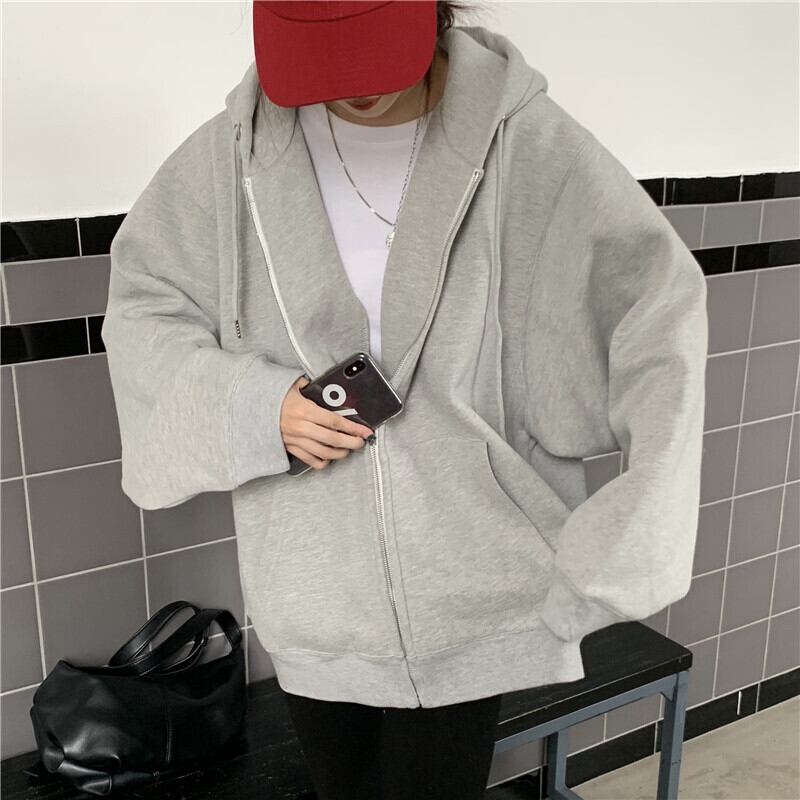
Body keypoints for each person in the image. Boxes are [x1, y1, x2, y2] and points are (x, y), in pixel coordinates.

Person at [101, 1, 709, 798]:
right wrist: (257, 406)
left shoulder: (524, 141)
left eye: (370, 50)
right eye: (325, 56)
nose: (352, 87)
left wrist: (633, 529)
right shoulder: (235, 157)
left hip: (470, 577)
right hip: (314, 587)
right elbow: (142, 309)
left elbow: (657, 309)